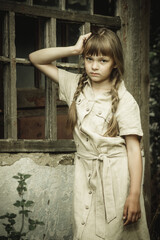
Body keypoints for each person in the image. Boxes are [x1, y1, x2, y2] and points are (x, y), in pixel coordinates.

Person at [29, 28, 150, 240]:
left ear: (114, 63)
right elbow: (35, 58)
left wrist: (134, 195)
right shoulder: (75, 84)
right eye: (89, 58)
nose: (94, 66)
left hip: (117, 179)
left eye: (103, 60)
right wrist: (74, 48)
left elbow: (133, 149)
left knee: (116, 233)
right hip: (85, 175)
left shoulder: (125, 100)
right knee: (85, 231)